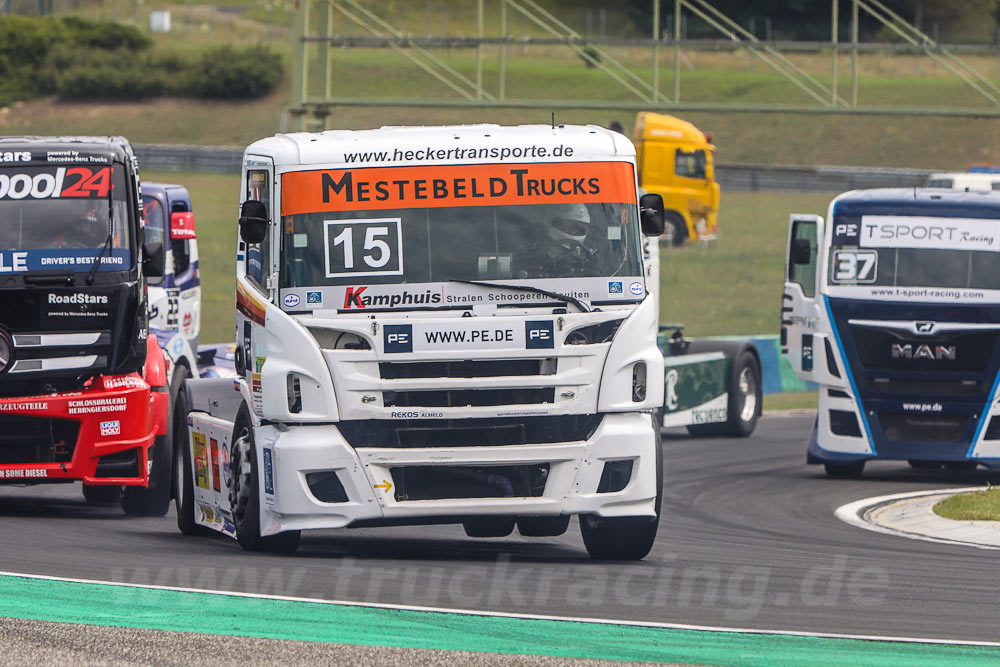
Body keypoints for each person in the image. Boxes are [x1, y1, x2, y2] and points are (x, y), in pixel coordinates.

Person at [515, 203, 597, 278]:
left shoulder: (587, 257)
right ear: (551, 221)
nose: (574, 231)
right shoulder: (530, 253)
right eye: (568, 224)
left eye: (580, 228)